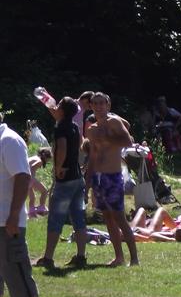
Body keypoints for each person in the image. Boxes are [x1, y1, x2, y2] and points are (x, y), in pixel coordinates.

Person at [0, 111, 44, 297]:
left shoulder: (9, 140)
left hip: (7, 222)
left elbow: (23, 177)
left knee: (17, 271)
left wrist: (13, 216)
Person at [85, 93, 139, 266]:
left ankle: (134, 259)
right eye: (96, 103)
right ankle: (119, 257)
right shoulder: (91, 129)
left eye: (102, 103)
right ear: (91, 106)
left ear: (108, 105)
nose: (99, 106)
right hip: (99, 177)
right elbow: (92, 157)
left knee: (119, 217)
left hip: (113, 176)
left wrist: (107, 138)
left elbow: (127, 141)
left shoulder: (114, 122)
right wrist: (87, 184)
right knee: (107, 218)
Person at [36, 97, 88, 269]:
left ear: (63, 110)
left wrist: (58, 167)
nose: (55, 107)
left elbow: (63, 147)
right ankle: (81, 256)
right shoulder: (74, 126)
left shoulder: (61, 127)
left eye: (58, 106)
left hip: (65, 180)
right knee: (78, 217)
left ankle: (48, 258)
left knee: (56, 218)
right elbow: (80, 144)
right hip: (78, 178)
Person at [27, 148, 51, 217]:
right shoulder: (39, 160)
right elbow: (32, 166)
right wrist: (32, 180)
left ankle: (32, 213)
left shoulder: (33, 157)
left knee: (32, 197)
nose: (48, 161)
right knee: (44, 191)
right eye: (48, 159)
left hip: (25, 178)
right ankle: (41, 208)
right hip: (30, 178)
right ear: (45, 156)